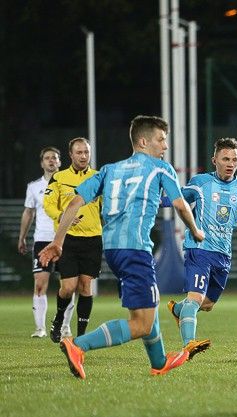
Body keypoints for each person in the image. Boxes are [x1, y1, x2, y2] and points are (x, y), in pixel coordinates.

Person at [39, 115, 206, 379]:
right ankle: (78, 345)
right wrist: (196, 231)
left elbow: (74, 203)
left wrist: (58, 241)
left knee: (147, 305)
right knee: (141, 324)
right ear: (143, 141)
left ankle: (159, 361)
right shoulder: (161, 168)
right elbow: (180, 205)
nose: (165, 146)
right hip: (136, 249)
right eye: (161, 139)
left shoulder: (109, 170)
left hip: (112, 250)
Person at [166, 137, 237, 354]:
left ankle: (178, 310)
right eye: (225, 159)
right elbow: (179, 198)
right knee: (195, 298)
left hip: (223, 254)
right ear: (215, 160)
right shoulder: (201, 182)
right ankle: (188, 345)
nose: (231, 164)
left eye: (234, 159)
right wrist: (153, 199)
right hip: (199, 248)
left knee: (208, 303)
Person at [43, 137, 102, 343]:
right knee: (68, 287)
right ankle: (59, 318)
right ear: (70, 155)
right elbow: (48, 204)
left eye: (86, 152)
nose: (83, 156)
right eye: (79, 152)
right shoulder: (59, 178)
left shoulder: (98, 177)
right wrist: (62, 216)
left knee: (85, 287)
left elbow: (107, 205)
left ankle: (81, 337)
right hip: (67, 239)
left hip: (93, 239)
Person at [18, 147, 74, 337]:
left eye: (55, 158)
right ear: (42, 163)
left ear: (60, 162)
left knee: (68, 285)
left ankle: (65, 326)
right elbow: (29, 212)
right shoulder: (34, 187)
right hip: (42, 240)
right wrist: (22, 237)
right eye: (47, 158)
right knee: (40, 284)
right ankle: (40, 328)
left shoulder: (69, 184)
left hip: (66, 238)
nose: (51, 160)